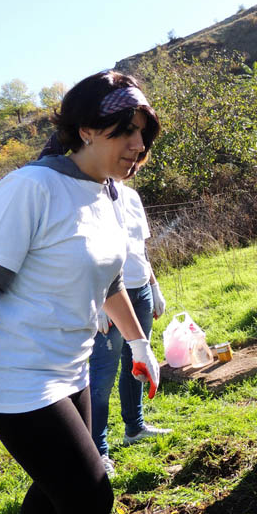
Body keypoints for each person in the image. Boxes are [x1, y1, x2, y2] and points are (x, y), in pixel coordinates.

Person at [0, 70, 162, 514]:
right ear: (85, 129)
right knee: (90, 497)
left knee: (54, 485)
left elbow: (109, 280)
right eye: (124, 129)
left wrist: (139, 341)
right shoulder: (30, 188)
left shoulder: (112, 194)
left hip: (69, 367)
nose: (138, 144)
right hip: (16, 373)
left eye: (143, 132)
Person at [89, 162, 170, 477]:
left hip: (140, 291)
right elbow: (87, 256)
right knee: (102, 378)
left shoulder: (132, 198)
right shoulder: (91, 197)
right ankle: (98, 452)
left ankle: (134, 428)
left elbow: (141, 250)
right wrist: (95, 303)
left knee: (137, 366)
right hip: (108, 300)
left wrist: (154, 286)